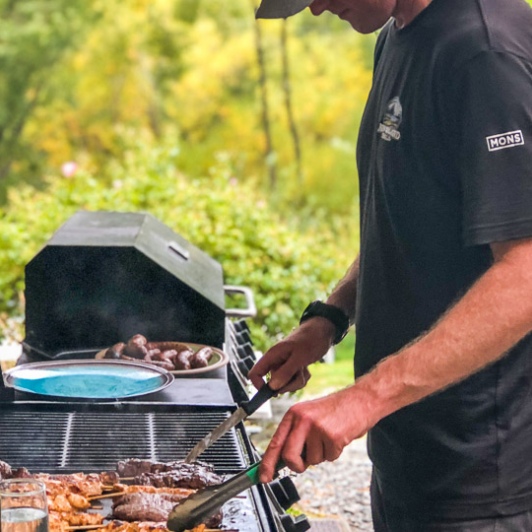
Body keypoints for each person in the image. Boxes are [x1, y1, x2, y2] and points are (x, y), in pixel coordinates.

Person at [248, 0, 532, 530]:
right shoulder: (398, 34)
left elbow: (524, 275)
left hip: (485, 480)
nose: (313, 7)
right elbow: (406, 218)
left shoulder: (485, 53)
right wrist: (327, 320)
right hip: (410, 454)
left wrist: (363, 398)